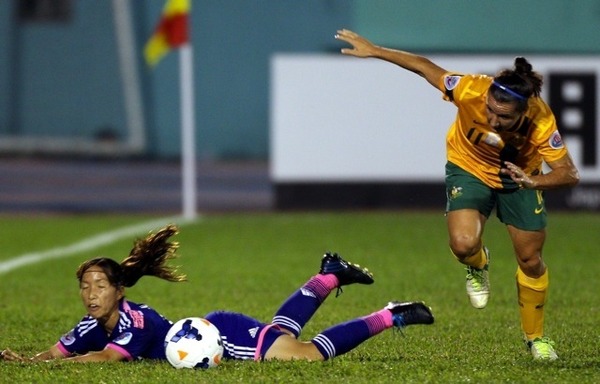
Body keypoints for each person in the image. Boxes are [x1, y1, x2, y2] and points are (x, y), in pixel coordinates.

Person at [335, 29, 579, 361]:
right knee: (464, 244)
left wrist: (534, 183)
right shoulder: (470, 88)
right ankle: (478, 265)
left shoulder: (541, 122)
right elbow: (424, 67)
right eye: (491, 109)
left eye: (504, 116)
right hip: (468, 168)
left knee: (531, 260)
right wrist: (375, 50)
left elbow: (569, 173)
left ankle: (535, 338)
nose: (493, 119)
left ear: (523, 111)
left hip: (519, 179)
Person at [1, 224, 434, 363]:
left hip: (219, 336)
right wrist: (25, 362)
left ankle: (389, 315)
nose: (91, 294)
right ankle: (329, 276)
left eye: (100, 286)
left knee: (302, 355)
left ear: (119, 291)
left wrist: (63, 365)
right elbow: (58, 352)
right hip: (212, 330)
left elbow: (102, 359)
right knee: (280, 332)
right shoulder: (92, 323)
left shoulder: (132, 323)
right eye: (85, 287)